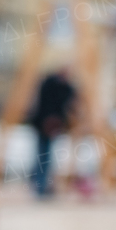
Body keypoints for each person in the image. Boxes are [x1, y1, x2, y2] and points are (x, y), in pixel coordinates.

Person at [29, 68, 75, 199]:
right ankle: (40, 186)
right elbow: (49, 105)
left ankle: (42, 185)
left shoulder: (61, 87)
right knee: (43, 157)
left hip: (49, 125)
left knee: (45, 157)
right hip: (44, 124)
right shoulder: (52, 86)